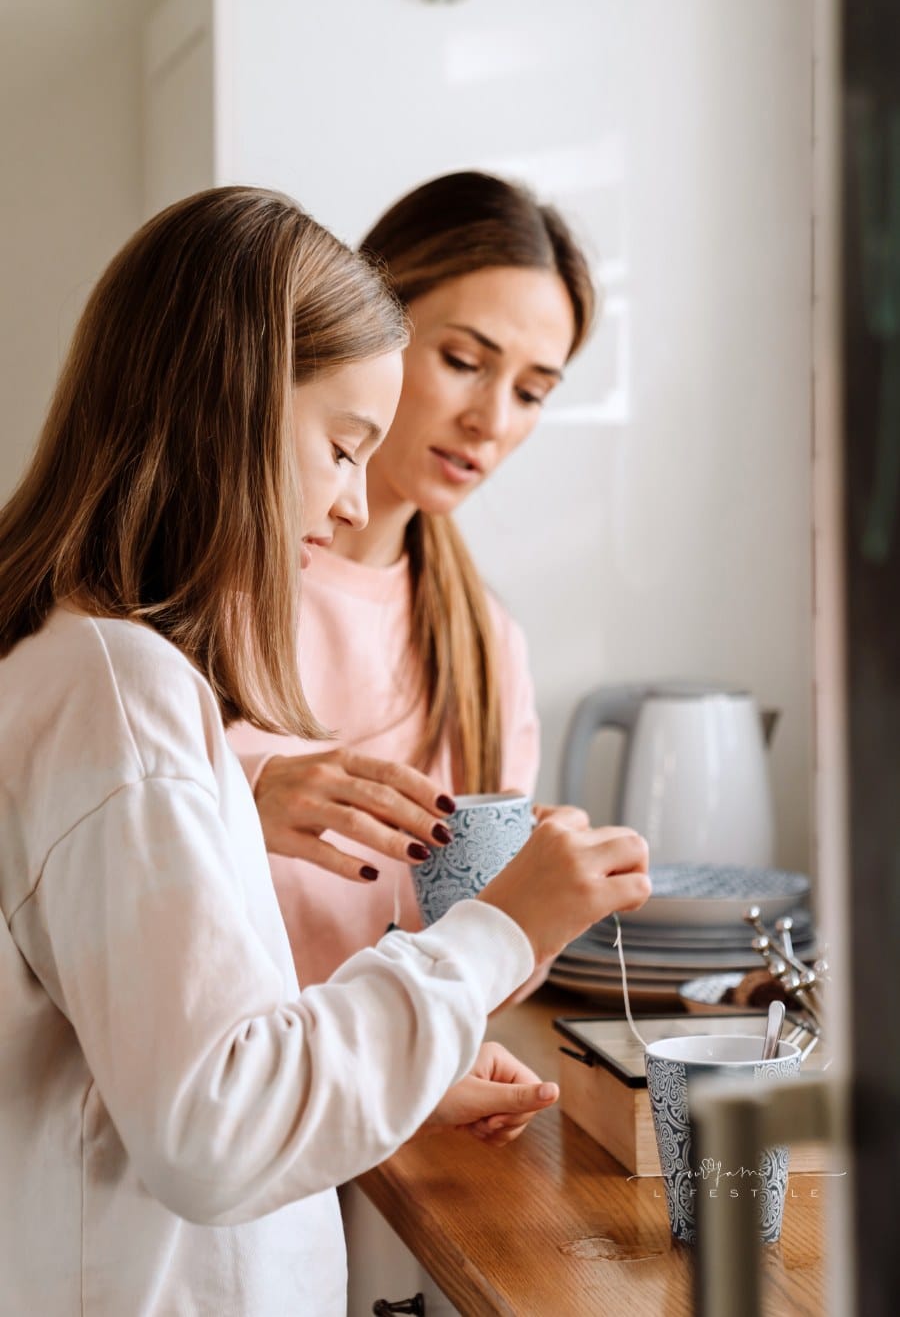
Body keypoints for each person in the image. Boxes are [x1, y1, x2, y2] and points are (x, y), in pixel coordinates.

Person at [0, 185, 650, 1315]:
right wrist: (498, 932)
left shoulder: (103, 663)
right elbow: (214, 1125)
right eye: (342, 445)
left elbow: (203, 1040)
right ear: (233, 408)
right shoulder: (134, 678)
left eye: (536, 390)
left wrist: (426, 1044)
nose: (349, 503)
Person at [228, 170, 597, 986]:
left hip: (397, 1092)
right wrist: (237, 800)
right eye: (465, 360)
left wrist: (540, 903)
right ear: (374, 326)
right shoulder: (213, 585)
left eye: (533, 392)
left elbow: (482, 973)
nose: (493, 421)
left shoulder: (486, 645)